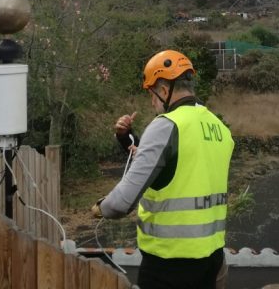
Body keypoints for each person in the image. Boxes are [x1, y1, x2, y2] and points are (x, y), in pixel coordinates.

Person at [92, 49, 234, 289]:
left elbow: (120, 203)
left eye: (152, 93)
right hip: (212, 258)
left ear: (165, 90)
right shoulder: (219, 128)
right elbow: (178, 167)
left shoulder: (167, 125)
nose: (152, 101)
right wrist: (127, 139)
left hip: (169, 264)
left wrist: (99, 207)